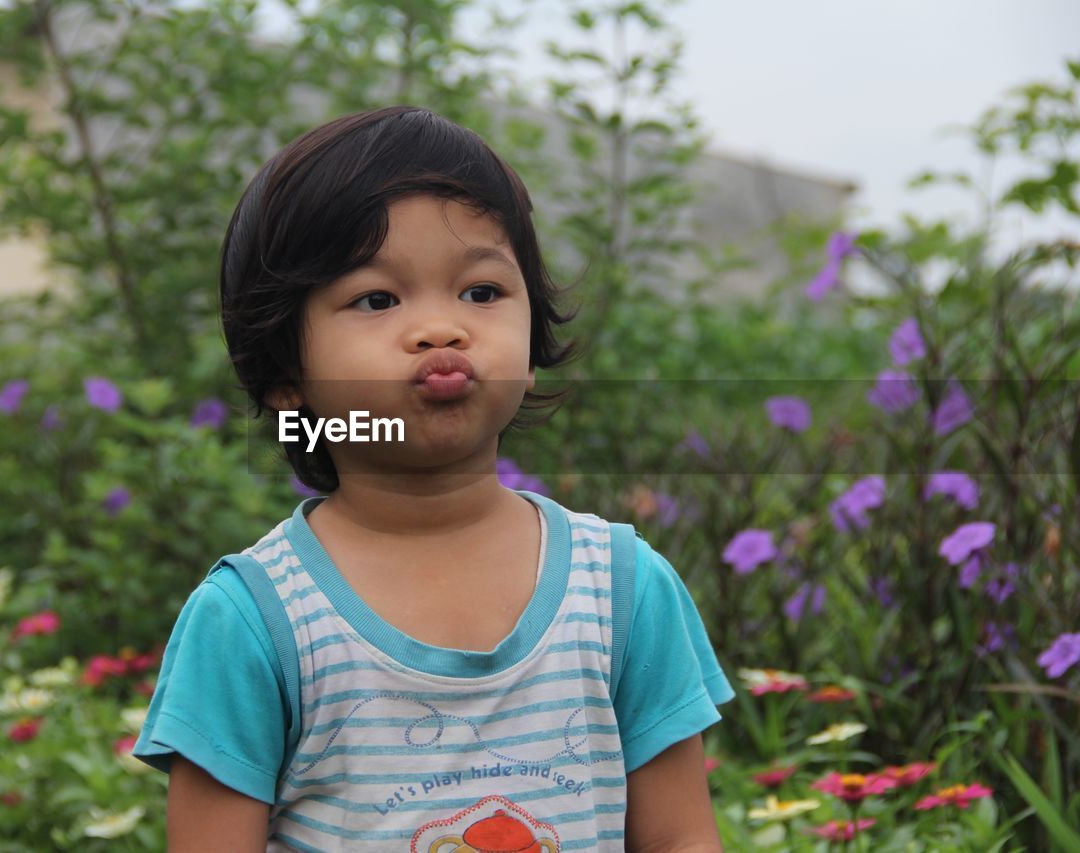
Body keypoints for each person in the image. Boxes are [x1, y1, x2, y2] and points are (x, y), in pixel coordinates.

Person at [131, 105, 735, 851]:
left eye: (481, 292)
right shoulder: (254, 621)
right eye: (377, 299)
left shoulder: (622, 589)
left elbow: (681, 838)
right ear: (286, 372)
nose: (441, 329)